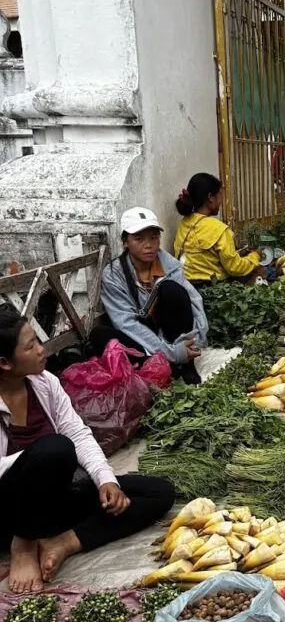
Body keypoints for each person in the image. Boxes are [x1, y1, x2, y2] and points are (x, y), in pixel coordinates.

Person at [0, 306, 175, 593]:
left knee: (158, 493)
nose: (42, 350)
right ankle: (24, 545)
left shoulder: (45, 383)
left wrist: (105, 479)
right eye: (31, 346)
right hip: (11, 511)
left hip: (55, 500)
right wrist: (35, 463)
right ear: (5, 363)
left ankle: (64, 542)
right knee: (54, 450)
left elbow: (78, 433)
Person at [98, 207, 208, 385]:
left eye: (154, 238)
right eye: (139, 239)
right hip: (142, 334)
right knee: (100, 335)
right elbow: (126, 323)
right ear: (125, 241)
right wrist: (170, 352)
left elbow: (194, 299)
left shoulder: (169, 265)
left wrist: (197, 339)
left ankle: (185, 364)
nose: (149, 245)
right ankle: (163, 364)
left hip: (171, 331)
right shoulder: (113, 275)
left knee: (172, 290)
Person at [174, 173, 261, 287]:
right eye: (220, 195)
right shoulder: (218, 229)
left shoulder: (184, 223)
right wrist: (255, 256)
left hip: (186, 285)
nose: (221, 201)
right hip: (214, 288)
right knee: (259, 270)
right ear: (210, 197)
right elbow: (234, 268)